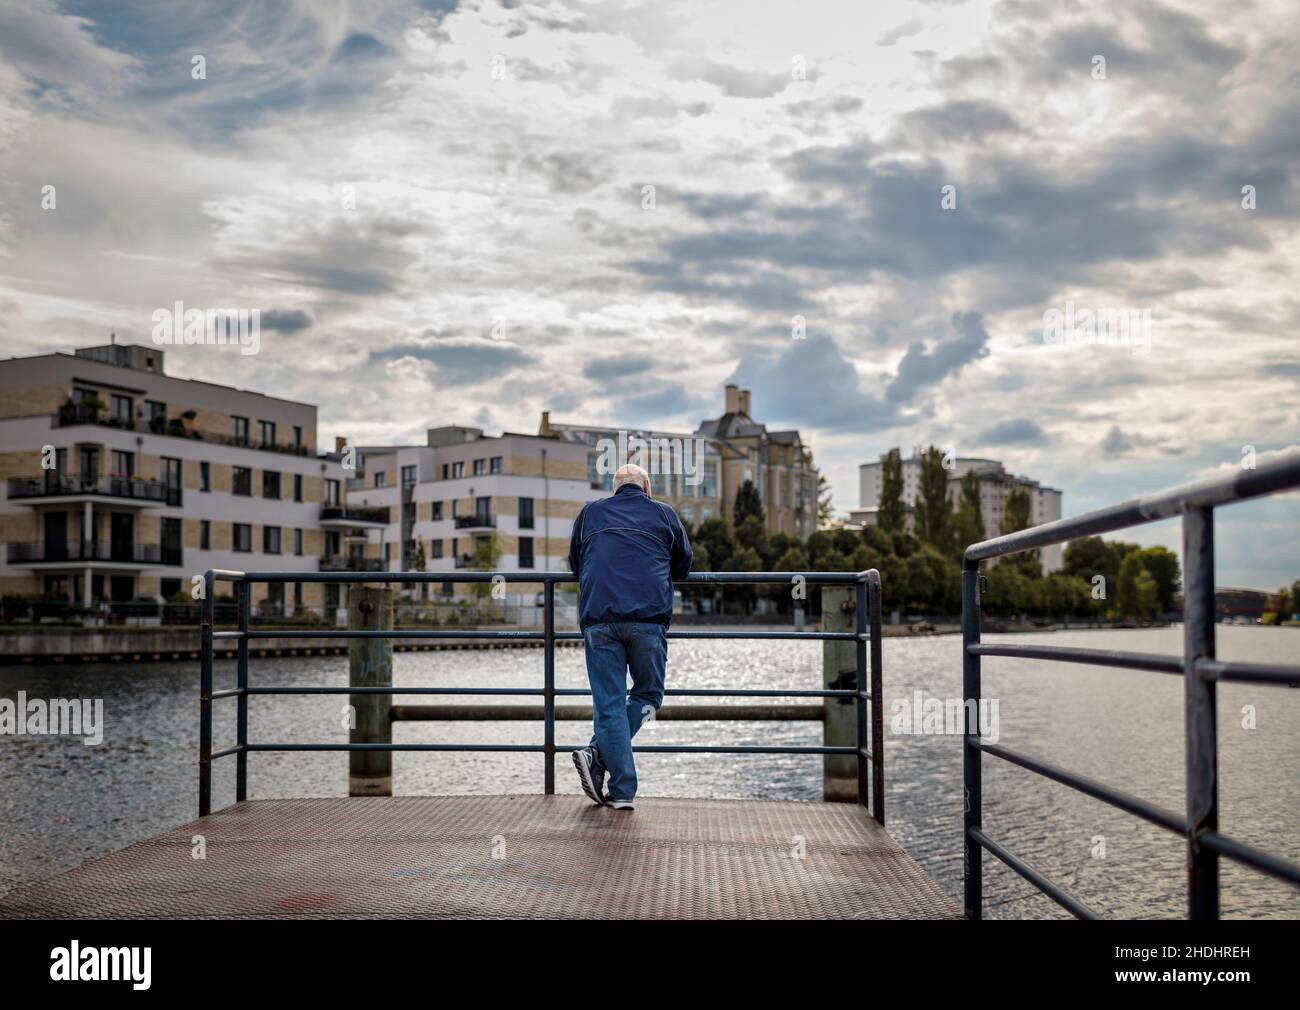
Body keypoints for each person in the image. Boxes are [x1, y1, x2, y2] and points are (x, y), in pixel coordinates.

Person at [568, 462, 693, 810]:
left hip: (598, 619)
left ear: (615, 489)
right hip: (647, 618)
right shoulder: (664, 514)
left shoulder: (590, 513)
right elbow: (683, 566)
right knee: (649, 695)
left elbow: (576, 565)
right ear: (647, 489)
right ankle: (597, 756)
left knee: (608, 703)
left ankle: (619, 787)